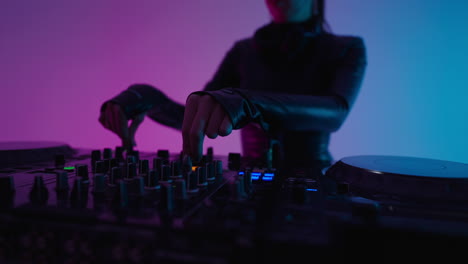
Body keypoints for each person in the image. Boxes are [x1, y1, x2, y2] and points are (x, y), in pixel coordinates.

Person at [99, 0, 367, 171]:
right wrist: (148, 97)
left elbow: (335, 113)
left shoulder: (347, 48)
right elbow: (199, 116)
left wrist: (250, 102)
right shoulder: (243, 51)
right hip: (248, 176)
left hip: (313, 177)